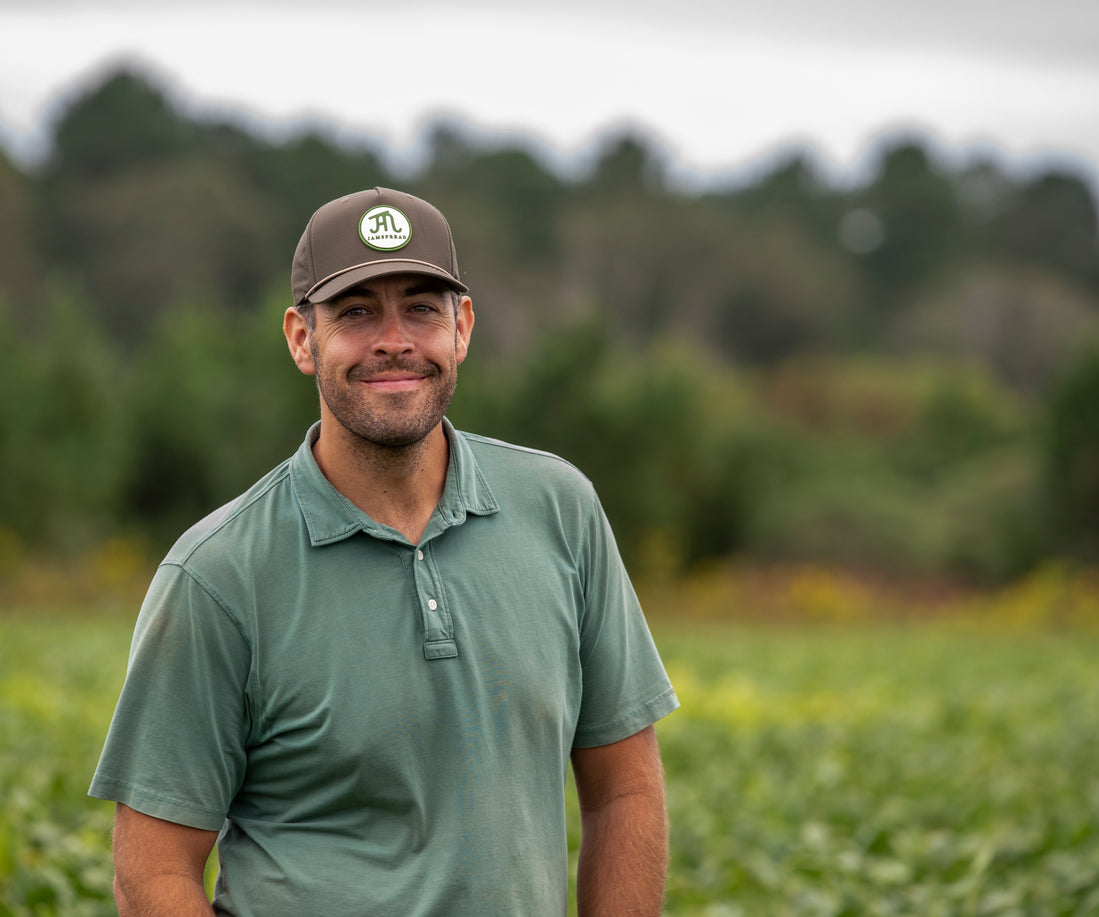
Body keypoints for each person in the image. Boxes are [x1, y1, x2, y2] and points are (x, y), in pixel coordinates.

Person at [89, 187, 679, 916]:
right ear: (302, 338)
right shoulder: (218, 572)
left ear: (461, 327)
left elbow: (624, 789)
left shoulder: (560, 509)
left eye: (421, 307)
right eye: (357, 310)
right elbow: (151, 871)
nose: (394, 339)